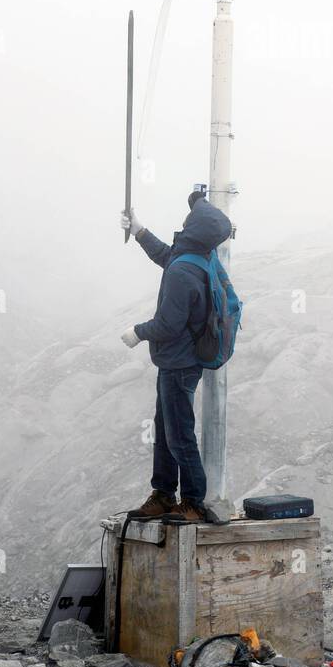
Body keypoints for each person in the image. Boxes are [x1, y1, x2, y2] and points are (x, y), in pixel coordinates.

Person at [119, 190, 232, 524]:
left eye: (190, 215)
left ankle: (193, 502)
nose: (185, 219)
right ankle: (164, 494)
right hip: (176, 361)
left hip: (180, 364)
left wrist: (137, 332)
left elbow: (167, 325)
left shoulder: (184, 273)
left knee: (179, 435)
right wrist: (139, 231)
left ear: (194, 227)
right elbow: (167, 255)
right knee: (165, 429)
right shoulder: (199, 256)